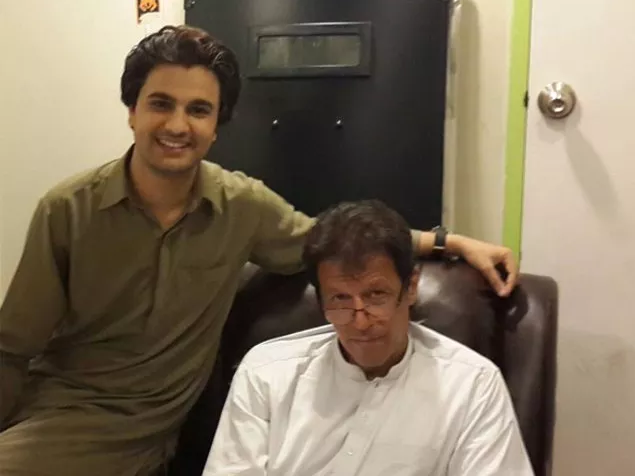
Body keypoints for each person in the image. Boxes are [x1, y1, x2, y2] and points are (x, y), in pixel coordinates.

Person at [0, 25, 518, 476]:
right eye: (161, 104)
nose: (178, 126)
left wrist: (448, 241)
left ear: (216, 127)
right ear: (132, 111)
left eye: (198, 110)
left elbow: (334, 241)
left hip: (141, 429)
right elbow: (12, 347)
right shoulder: (68, 209)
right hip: (55, 410)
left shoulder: (241, 207)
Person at [204, 200, 533, 476]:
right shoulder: (266, 374)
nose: (360, 322)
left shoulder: (472, 385)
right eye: (340, 299)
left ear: (411, 287)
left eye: (376, 295)